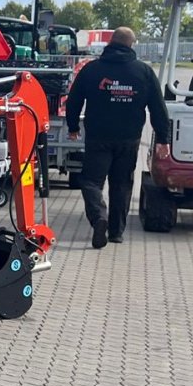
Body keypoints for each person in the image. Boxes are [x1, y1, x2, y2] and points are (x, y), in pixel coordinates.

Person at [64, 27, 170, 248]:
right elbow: (159, 108)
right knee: (121, 184)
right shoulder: (144, 72)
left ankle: (98, 218)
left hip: (98, 137)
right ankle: (115, 233)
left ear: (111, 42)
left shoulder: (92, 70)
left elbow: (73, 100)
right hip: (129, 139)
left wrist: (73, 126)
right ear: (132, 44)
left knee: (91, 182)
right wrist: (163, 139)